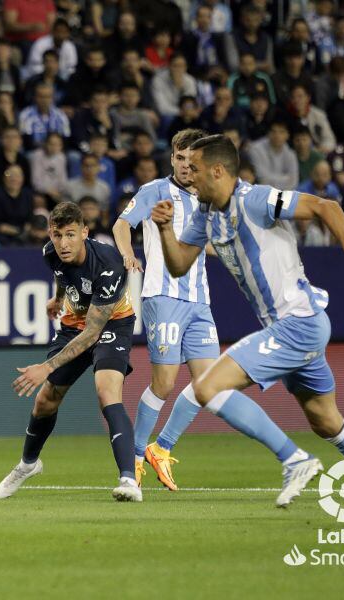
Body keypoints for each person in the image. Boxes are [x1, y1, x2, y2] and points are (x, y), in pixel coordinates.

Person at [151, 134, 344, 517]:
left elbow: (326, 207)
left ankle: (293, 459)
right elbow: (179, 263)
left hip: (297, 323)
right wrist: (164, 229)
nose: (188, 176)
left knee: (207, 386)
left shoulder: (256, 199)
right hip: (294, 329)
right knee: (327, 422)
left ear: (217, 170)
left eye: (194, 168)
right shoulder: (205, 214)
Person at [0, 201, 140, 501]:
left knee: (107, 390)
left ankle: (129, 480)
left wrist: (46, 367)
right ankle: (28, 464)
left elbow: (92, 333)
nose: (63, 243)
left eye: (71, 235)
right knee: (45, 400)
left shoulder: (109, 264)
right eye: (58, 235)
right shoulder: (50, 253)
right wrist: (58, 298)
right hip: (74, 323)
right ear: (51, 233)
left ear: (85, 233)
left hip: (112, 323)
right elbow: (63, 275)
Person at [112, 128, 225, 490]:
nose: (186, 168)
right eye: (179, 159)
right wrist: (128, 253)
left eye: (192, 162)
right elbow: (120, 225)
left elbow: (203, 245)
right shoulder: (154, 192)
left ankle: (161, 448)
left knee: (210, 384)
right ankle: (133, 455)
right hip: (163, 297)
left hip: (199, 301)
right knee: (163, 383)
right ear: (172, 157)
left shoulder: (208, 198)